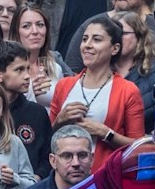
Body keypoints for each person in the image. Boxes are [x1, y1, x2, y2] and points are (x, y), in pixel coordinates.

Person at [50, 15, 144, 164]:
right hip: (65, 175)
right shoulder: (64, 85)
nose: (87, 45)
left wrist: (106, 133)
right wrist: (59, 121)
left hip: (105, 173)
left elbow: (139, 148)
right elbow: (47, 138)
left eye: (97, 40)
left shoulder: (127, 90)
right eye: (84, 39)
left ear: (114, 48)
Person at [17, 125, 95, 189]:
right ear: (53, 161)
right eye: (67, 156)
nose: (76, 163)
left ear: (91, 159)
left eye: (82, 155)